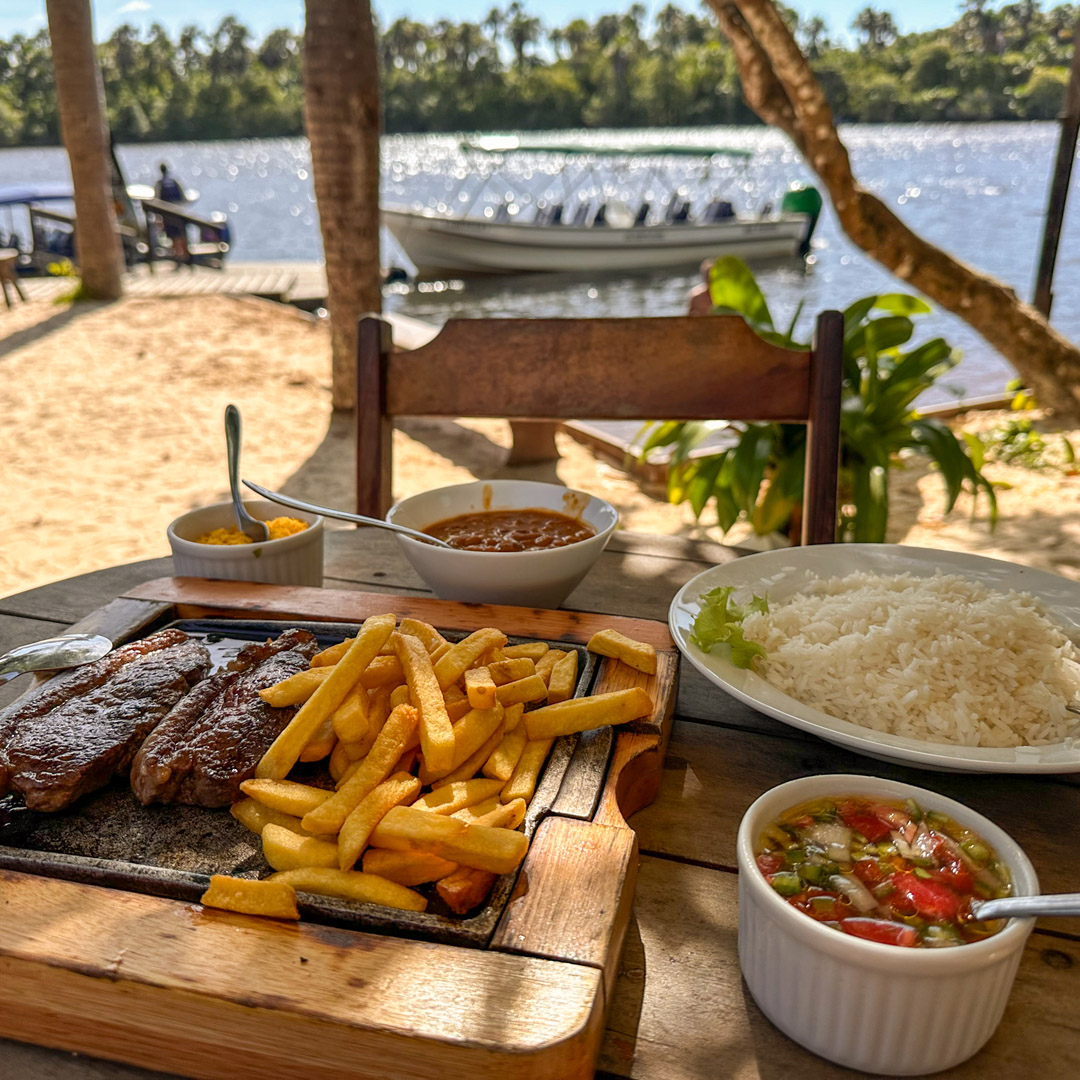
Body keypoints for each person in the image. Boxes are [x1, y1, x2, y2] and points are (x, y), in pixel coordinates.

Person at [155, 162, 189, 264]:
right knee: (182, 235)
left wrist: (158, 217)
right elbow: (184, 198)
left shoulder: (159, 183)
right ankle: (185, 257)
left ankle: (178, 258)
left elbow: (156, 201)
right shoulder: (175, 181)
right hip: (178, 212)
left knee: (173, 237)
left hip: (167, 214)